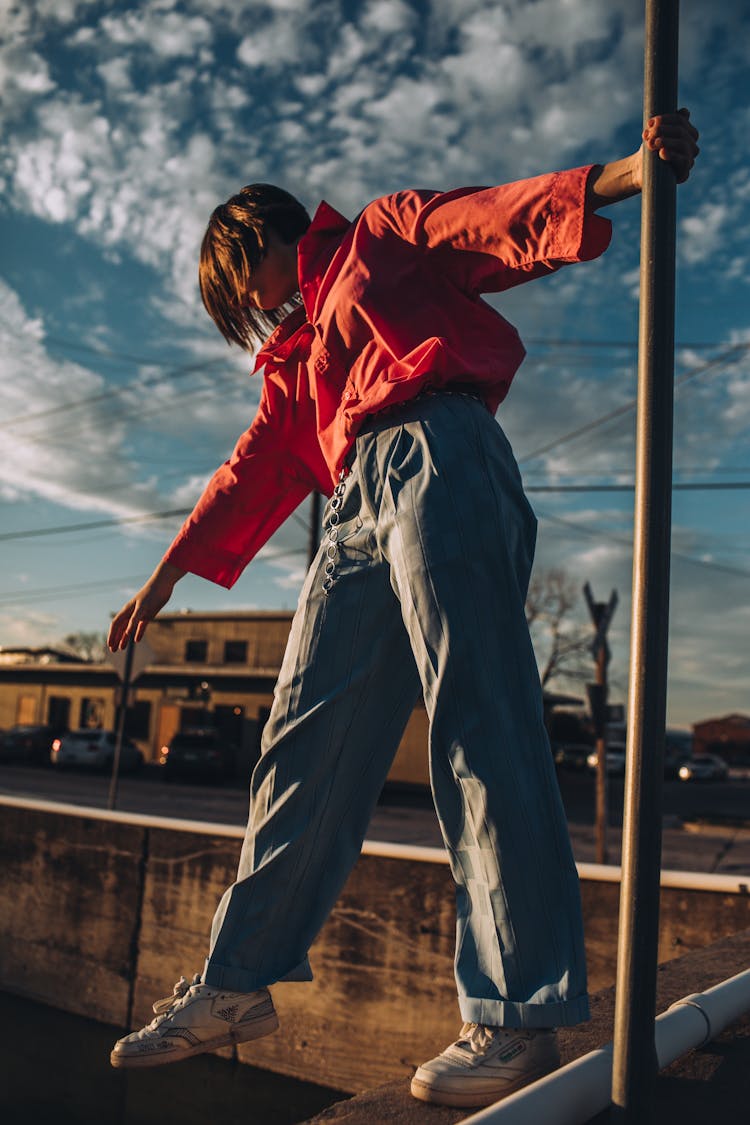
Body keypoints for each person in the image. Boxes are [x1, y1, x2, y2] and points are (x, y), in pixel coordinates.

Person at [107, 111, 699, 1107]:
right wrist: (163, 575)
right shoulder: (295, 361)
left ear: (256, 244)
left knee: (476, 718)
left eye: (235, 289)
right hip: (351, 511)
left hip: (439, 452)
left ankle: (516, 1014)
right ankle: (236, 984)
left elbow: (489, 218)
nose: (249, 313)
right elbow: (248, 470)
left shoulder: (380, 235)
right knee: (302, 740)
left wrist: (629, 174)